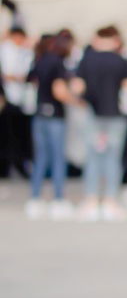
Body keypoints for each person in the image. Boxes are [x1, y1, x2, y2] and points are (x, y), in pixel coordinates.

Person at [71, 26, 127, 221]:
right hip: (115, 114)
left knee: (93, 156)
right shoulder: (122, 61)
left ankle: (91, 200)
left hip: (92, 114)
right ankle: (110, 201)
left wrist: (83, 102)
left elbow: (77, 88)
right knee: (113, 158)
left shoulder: (87, 60)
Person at [25, 33, 78, 220]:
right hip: (55, 114)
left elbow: (31, 80)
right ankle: (58, 198)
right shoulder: (57, 62)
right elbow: (59, 90)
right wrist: (78, 102)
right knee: (57, 157)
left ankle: (35, 197)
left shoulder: (40, 60)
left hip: (40, 112)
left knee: (40, 157)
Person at [0, 26, 34, 179]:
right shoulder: (5, 51)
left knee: (20, 135)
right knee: (7, 136)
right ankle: (6, 167)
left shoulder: (24, 52)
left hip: (21, 99)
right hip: (7, 98)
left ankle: (18, 165)